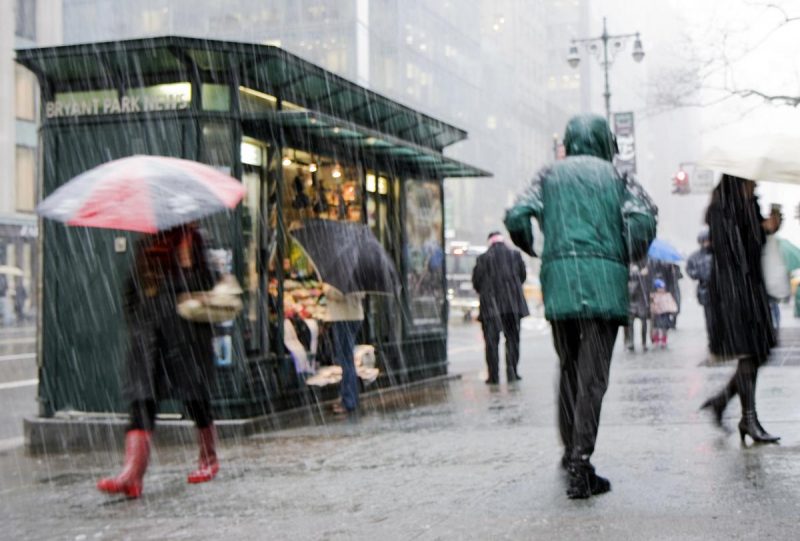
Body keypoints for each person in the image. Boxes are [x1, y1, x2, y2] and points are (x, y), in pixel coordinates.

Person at [504, 114, 657, 499]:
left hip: (561, 284)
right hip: (603, 285)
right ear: (605, 141)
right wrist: (626, 251)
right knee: (593, 378)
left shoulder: (549, 176)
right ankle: (581, 463)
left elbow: (517, 215)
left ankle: (570, 448)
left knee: (570, 369)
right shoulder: (617, 177)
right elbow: (644, 216)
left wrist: (534, 246)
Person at [97, 223, 220, 499]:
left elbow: (209, 285)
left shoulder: (195, 240)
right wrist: (140, 325)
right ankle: (132, 474)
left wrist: (189, 265)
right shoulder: (147, 243)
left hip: (186, 335)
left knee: (195, 399)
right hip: (150, 337)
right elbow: (131, 290)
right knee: (142, 399)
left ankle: (208, 459)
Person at [700, 175, 781, 444]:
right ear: (738, 180)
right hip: (733, 292)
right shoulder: (722, 207)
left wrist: (765, 227)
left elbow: (748, 244)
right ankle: (747, 417)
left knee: (758, 351)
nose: (756, 184)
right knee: (750, 352)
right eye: (752, 180)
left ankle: (724, 403)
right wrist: (762, 229)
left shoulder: (746, 203)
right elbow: (733, 248)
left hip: (749, 288)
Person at [471, 231, 530, 384]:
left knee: (491, 343)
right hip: (512, 306)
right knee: (513, 340)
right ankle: (512, 372)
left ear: (489, 242)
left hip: (490, 307)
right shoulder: (515, 256)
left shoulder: (483, 259)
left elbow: (476, 282)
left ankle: (493, 376)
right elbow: (522, 276)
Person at [323, 283, 365, 414]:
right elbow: (362, 293)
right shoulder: (356, 271)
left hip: (343, 317)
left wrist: (327, 290)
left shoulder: (340, 273)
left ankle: (348, 401)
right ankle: (350, 397)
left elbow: (338, 293)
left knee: (345, 360)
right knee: (347, 359)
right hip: (354, 316)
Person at [686, 230, 713, 351]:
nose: (706, 243)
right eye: (704, 241)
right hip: (705, 290)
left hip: (718, 290)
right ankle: (712, 338)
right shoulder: (695, 257)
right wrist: (699, 274)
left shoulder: (717, 254)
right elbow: (690, 270)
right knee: (709, 317)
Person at [624, 260, 650, 352]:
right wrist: (638, 273)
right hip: (632, 301)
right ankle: (631, 342)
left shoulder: (646, 263)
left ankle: (644, 342)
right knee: (630, 323)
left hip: (641, 300)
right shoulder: (629, 269)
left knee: (644, 323)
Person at [650, 278, 677, 348]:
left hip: (665, 314)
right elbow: (652, 306)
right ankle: (656, 341)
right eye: (660, 288)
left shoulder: (667, 295)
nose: (662, 289)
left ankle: (663, 341)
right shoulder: (653, 296)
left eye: (663, 288)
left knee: (664, 329)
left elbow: (672, 304)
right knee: (655, 329)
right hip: (656, 315)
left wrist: (672, 311)